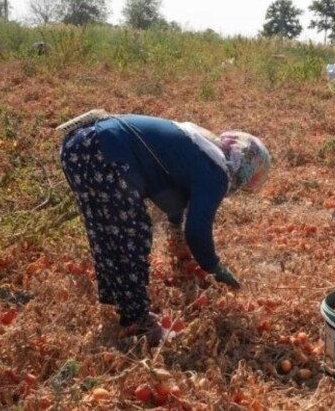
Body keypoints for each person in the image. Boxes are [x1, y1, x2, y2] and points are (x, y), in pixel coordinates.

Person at [59, 113, 271, 345]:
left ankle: (126, 308)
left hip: (79, 147)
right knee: (132, 235)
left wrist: (174, 228)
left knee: (107, 231)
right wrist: (214, 267)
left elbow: (172, 191)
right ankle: (138, 323)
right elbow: (197, 230)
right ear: (247, 168)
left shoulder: (203, 148)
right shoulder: (217, 172)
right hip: (105, 151)